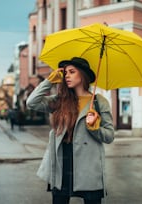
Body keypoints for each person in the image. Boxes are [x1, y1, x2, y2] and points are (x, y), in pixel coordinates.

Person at [26, 57, 114, 204]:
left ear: (83, 75)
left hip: (88, 165)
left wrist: (94, 127)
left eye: (72, 72)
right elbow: (31, 102)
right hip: (62, 160)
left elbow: (109, 136)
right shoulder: (60, 100)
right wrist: (49, 81)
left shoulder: (99, 102)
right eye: (65, 72)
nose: (67, 75)